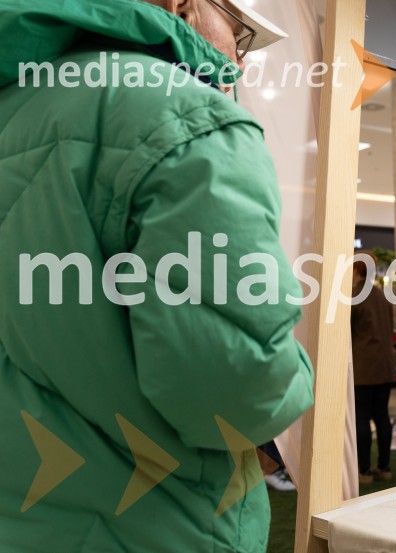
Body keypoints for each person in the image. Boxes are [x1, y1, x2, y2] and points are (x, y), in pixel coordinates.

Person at [0, 1, 314, 551]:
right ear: (181, 5)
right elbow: (234, 390)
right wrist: (297, 375)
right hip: (154, 526)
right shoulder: (187, 120)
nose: (239, 64)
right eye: (239, 34)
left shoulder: (16, 107)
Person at [350, 252, 396, 485]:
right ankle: (385, 467)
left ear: (356, 270)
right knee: (382, 417)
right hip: (385, 367)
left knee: (362, 419)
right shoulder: (381, 295)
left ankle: (365, 471)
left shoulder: (354, 297)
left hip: (363, 369)